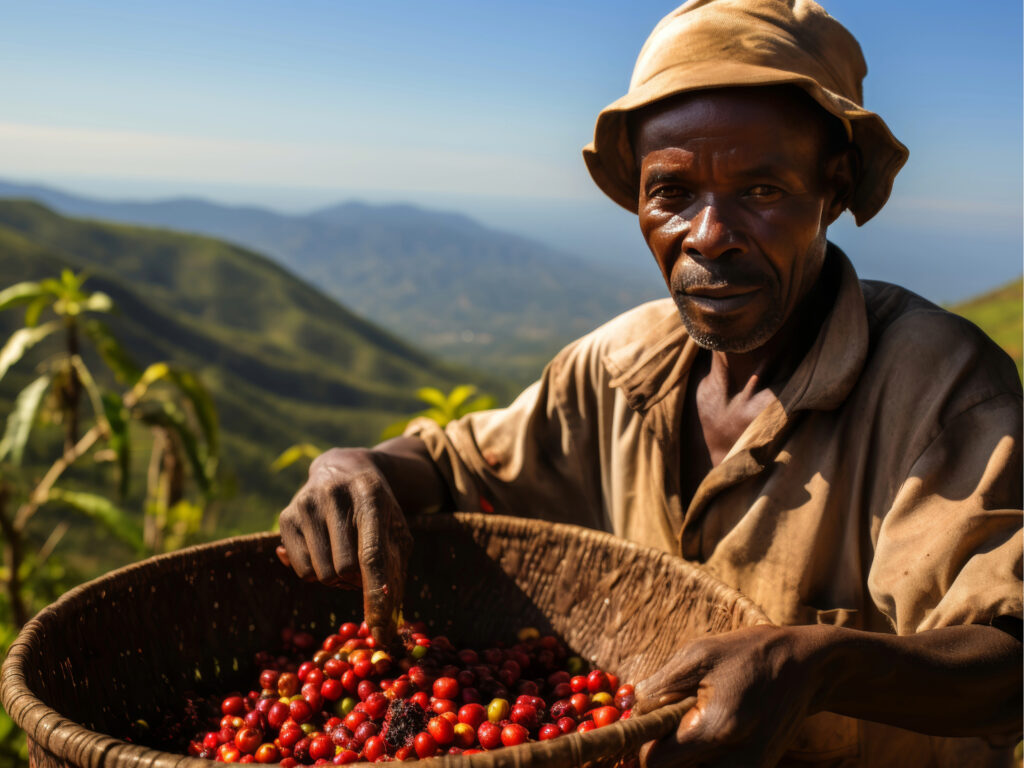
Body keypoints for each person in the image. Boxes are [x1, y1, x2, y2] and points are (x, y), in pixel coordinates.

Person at [276, 1, 1023, 765]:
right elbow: (453, 466)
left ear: (831, 188)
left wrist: (818, 664)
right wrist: (354, 467)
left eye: (762, 192)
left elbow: (1010, 661)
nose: (708, 236)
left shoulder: (940, 390)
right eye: (671, 193)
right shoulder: (617, 367)